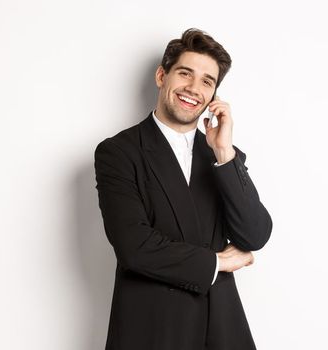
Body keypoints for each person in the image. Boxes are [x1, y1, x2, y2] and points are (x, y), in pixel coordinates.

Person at [93, 28, 273, 350]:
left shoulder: (223, 155)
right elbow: (134, 247)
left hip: (220, 329)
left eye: (207, 81)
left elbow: (255, 235)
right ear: (162, 76)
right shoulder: (119, 152)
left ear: (214, 95)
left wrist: (224, 155)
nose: (194, 88)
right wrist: (217, 262)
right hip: (152, 330)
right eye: (185, 73)